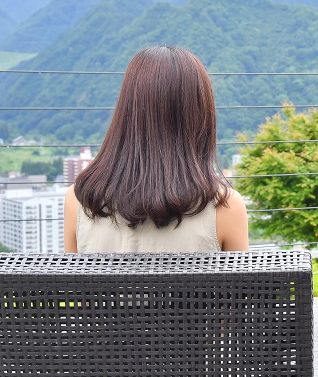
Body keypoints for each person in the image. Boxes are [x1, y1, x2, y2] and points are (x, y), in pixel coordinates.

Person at [64, 45, 248, 253]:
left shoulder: (79, 201)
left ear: (127, 110)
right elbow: (240, 287)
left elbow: (74, 284)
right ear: (201, 117)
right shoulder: (225, 208)